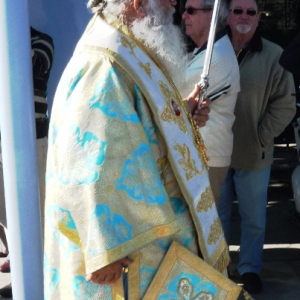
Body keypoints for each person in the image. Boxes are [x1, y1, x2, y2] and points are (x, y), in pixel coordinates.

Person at [43, 0, 231, 299]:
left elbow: (130, 122)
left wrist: (180, 114)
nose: (174, 5)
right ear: (138, 3)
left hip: (161, 246)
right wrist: (104, 248)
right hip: (131, 255)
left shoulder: (127, 45)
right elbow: (86, 155)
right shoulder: (104, 62)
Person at [217, 0, 296, 294]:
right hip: (216, 152)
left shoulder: (275, 55)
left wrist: (263, 134)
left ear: (258, 18)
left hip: (253, 151)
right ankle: (220, 267)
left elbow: (286, 103)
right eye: (238, 10)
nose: (244, 17)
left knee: (254, 218)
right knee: (217, 216)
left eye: (251, 12)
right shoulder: (214, 51)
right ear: (228, 16)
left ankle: (250, 268)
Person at [0, 27, 54, 297]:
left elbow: (29, 62)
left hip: (32, 141)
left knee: (35, 210)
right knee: (6, 210)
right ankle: (22, 268)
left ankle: (38, 276)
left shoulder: (42, 42)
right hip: (3, 143)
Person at [182, 0, 240, 205]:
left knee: (202, 229)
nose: (183, 16)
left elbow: (172, 97)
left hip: (205, 159)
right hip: (197, 157)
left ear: (212, 15)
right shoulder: (207, 51)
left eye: (190, 10)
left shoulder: (217, 57)